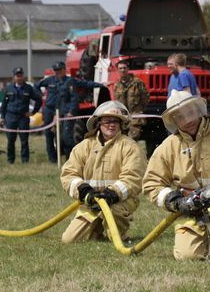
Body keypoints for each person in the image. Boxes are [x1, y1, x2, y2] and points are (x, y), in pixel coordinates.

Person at [143, 90, 210, 261]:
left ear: (199, 110)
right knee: (188, 256)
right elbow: (151, 183)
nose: (187, 120)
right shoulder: (168, 147)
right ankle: (201, 242)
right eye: (180, 117)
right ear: (173, 121)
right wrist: (176, 201)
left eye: (190, 112)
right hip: (190, 209)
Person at [60, 101, 146, 243]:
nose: (111, 125)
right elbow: (69, 174)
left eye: (115, 121)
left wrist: (113, 194)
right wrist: (83, 190)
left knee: (115, 237)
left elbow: (134, 178)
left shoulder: (130, 147)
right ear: (98, 123)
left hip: (119, 202)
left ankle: (119, 234)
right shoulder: (85, 146)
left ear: (121, 125)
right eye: (107, 121)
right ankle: (97, 229)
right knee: (69, 239)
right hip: (91, 202)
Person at [34, 61, 107, 162]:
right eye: (55, 71)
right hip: (49, 111)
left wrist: (101, 85)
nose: (57, 72)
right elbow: (36, 86)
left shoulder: (70, 81)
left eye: (59, 70)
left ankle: (71, 157)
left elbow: (86, 84)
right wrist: (41, 96)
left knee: (66, 137)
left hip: (64, 112)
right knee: (49, 135)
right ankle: (52, 159)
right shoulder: (49, 80)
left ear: (64, 70)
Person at [0, 67, 43, 164]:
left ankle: (25, 161)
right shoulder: (9, 88)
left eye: (21, 75)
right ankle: (10, 160)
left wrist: (33, 112)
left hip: (23, 117)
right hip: (11, 117)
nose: (19, 78)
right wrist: (2, 116)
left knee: (24, 140)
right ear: (14, 77)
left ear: (23, 76)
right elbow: (4, 104)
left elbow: (38, 100)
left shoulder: (28, 88)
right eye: (17, 76)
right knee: (11, 140)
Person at [113, 60, 150, 140]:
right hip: (122, 118)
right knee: (122, 140)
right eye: (120, 68)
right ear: (117, 70)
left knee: (132, 139)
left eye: (124, 68)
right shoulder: (116, 85)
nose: (122, 70)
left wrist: (140, 110)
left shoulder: (137, 82)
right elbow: (116, 101)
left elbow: (145, 97)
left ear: (128, 69)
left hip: (135, 117)